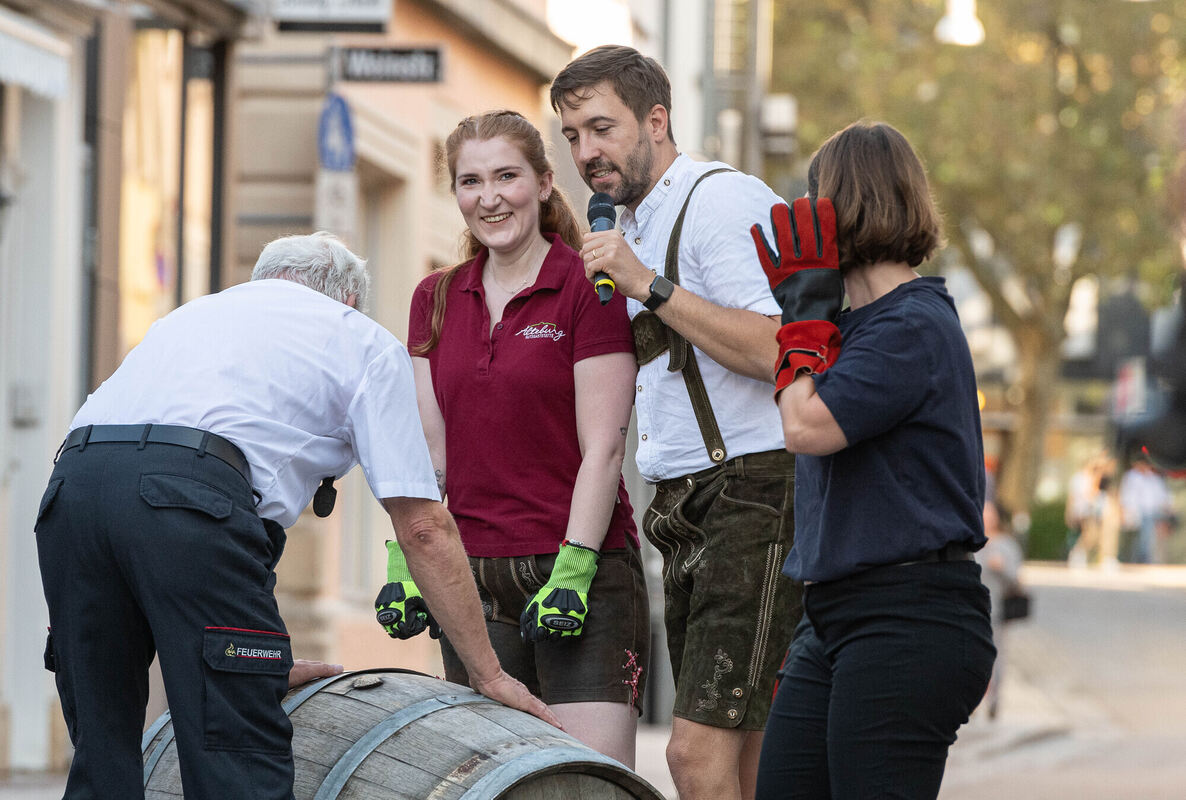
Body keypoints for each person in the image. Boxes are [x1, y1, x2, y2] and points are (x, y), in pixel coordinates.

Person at [34, 232, 558, 800]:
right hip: (188, 497)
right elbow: (423, 527)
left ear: (264, 280)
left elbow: (164, 501)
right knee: (239, 767)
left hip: (72, 493)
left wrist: (255, 660)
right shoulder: (359, 338)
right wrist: (488, 673)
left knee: (101, 759)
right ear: (349, 300)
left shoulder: (192, 316)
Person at [551, 46, 800, 800]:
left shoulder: (719, 200)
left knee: (694, 755)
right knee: (745, 756)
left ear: (656, 120)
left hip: (752, 493)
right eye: (572, 136)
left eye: (602, 128)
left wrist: (648, 285)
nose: (586, 153)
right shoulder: (632, 223)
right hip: (687, 504)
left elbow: (777, 349)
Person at [383, 109, 647, 766]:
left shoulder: (590, 286)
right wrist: (409, 560)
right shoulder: (434, 298)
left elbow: (605, 448)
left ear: (544, 183)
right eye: (470, 181)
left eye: (507, 176)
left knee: (588, 785)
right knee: (497, 786)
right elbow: (430, 453)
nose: (489, 198)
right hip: (471, 579)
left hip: (580, 571)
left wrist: (575, 567)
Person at [753, 121, 996, 799]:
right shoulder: (854, 331)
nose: (802, 223)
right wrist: (807, 319)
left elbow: (804, 426)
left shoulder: (911, 325)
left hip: (910, 615)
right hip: (834, 614)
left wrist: (802, 319)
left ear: (841, 206)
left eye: (814, 202)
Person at [975, 499, 1025, 719]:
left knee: (995, 658)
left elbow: (1017, 581)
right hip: (972, 610)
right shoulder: (970, 541)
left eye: (990, 514)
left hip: (997, 612)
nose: (987, 519)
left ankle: (993, 701)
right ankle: (974, 701)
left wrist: (1002, 568)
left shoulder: (1006, 545)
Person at [1119, 454, 1174, 563]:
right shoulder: (1131, 477)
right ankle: (1138, 558)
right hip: (1136, 511)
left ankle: (1145, 558)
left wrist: (1167, 509)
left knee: (1148, 537)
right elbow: (1126, 496)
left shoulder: (1153, 478)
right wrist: (1125, 511)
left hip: (1152, 511)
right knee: (1139, 537)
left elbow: (1162, 496)